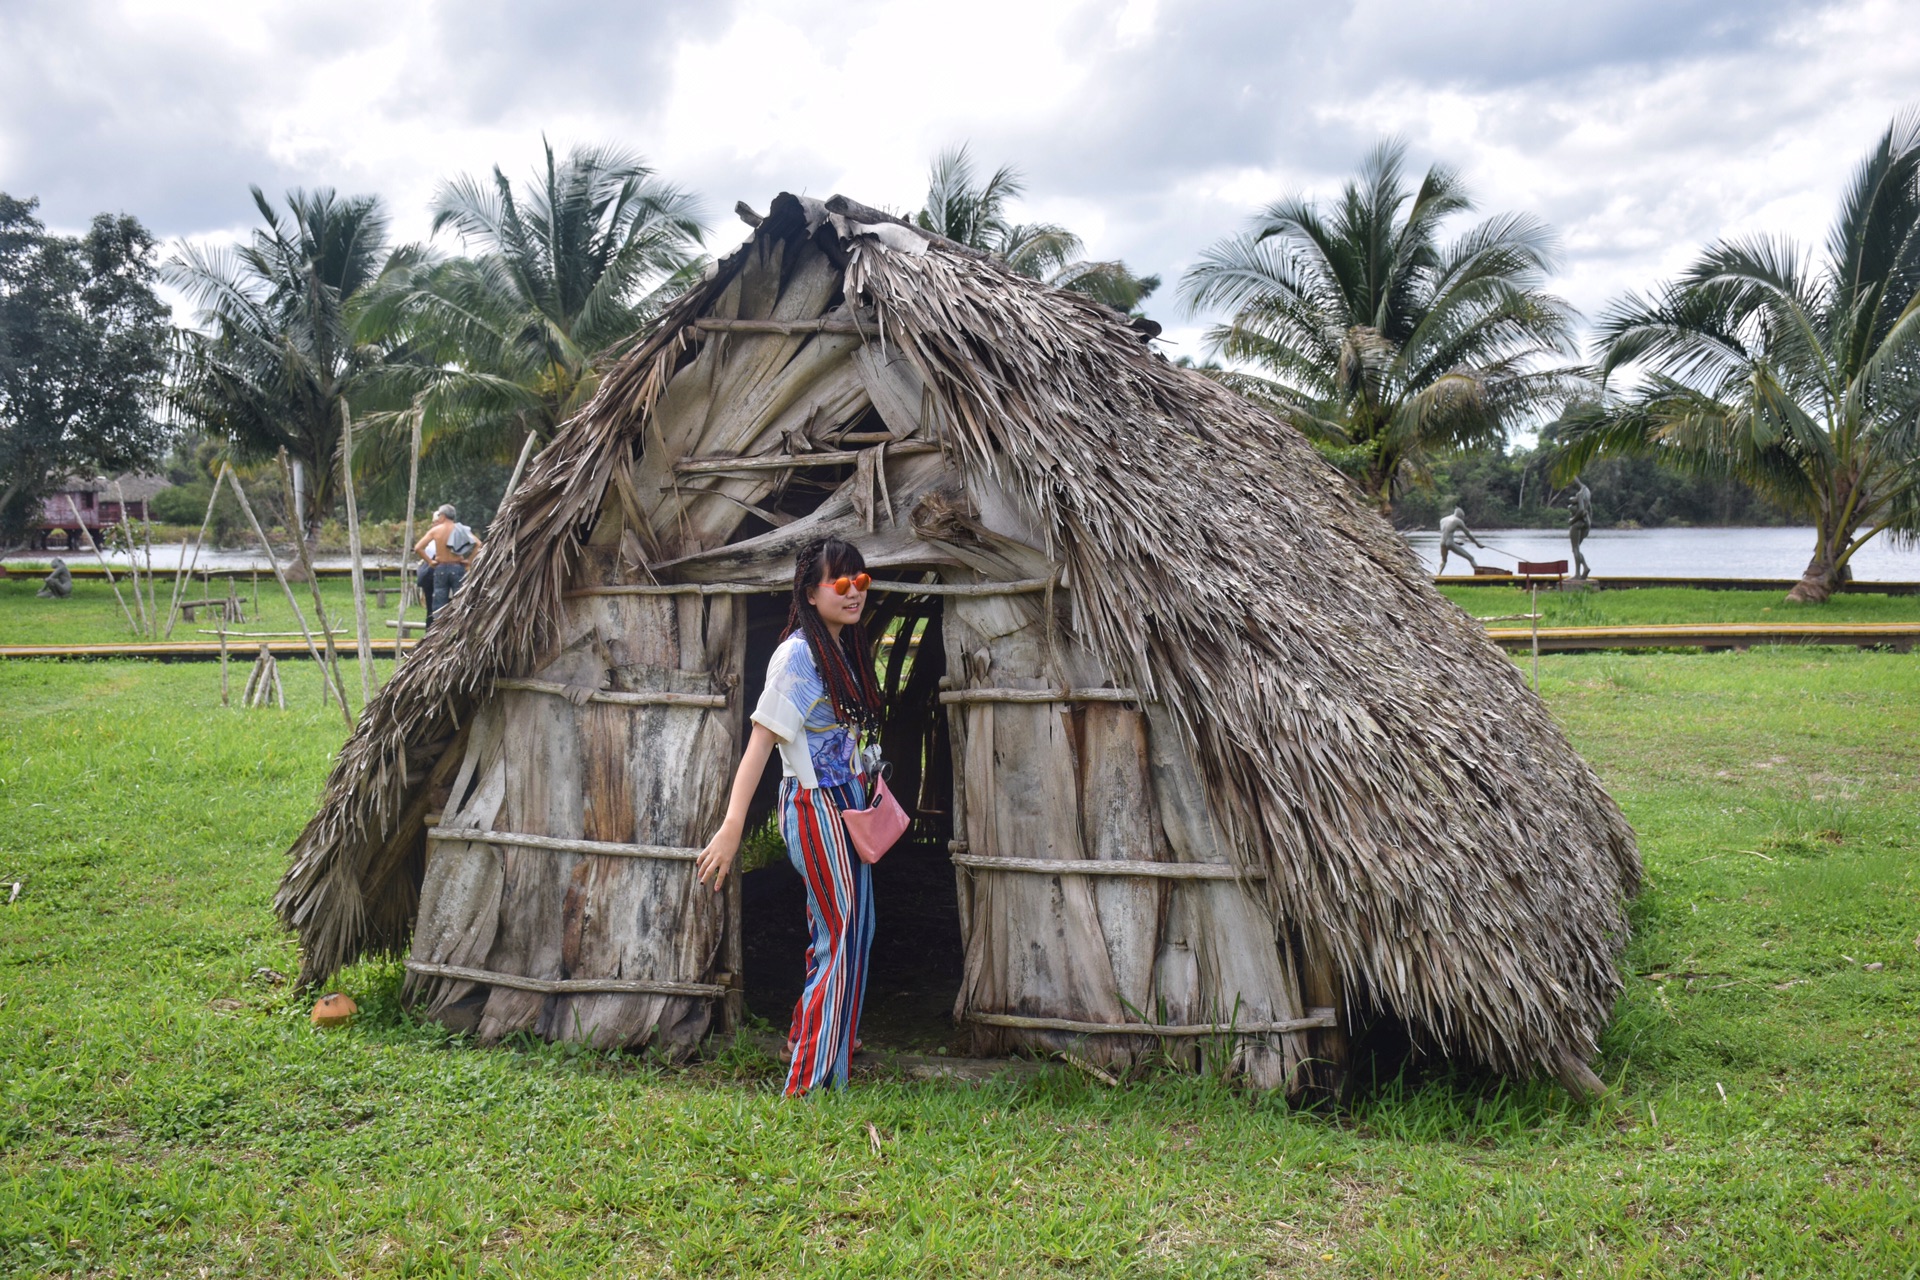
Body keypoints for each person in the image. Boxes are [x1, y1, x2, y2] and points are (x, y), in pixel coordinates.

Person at [696, 536, 883, 1096]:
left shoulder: (841, 645)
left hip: (847, 800)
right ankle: (808, 1080)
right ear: (810, 590)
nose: (855, 593)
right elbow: (760, 744)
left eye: (862, 582)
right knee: (840, 930)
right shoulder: (799, 654)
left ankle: (816, 1043)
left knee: (854, 930)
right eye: (841, 583)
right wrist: (732, 827)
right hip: (815, 803)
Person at [413, 504, 482, 625]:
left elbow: (418, 547)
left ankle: (437, 633)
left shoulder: (436, 530)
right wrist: (469, 560)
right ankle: (461, 631)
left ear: (443, 516)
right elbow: (478, 544)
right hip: (457, 566)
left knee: (439, 604)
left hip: (441, 567)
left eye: (439, 515)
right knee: (461, 601)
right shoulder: (460, 529)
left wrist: (430, 561)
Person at [1437, 506, 1485, 574]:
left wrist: (1455, 542)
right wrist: (1477, 544)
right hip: (1450, 543)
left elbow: (1446, 534)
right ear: (1460, 515)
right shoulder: (1458, 521)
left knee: (1443, 561)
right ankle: (1480, 575)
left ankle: (1438, 576)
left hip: (1442, 542)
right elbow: (1468, 534)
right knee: (1471, 558)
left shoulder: (1442, 520)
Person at [1568, 481, 1593, 579]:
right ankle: (1585, 567)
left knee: (1575, 549)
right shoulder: (1587, 492)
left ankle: (1577, 574)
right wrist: (1588, 524)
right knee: (1576, 549)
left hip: (1577, 524)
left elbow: (1581, 510)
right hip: (1585, 523)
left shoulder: (1580, 494)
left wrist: (1572, 520)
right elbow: (1589, 510)